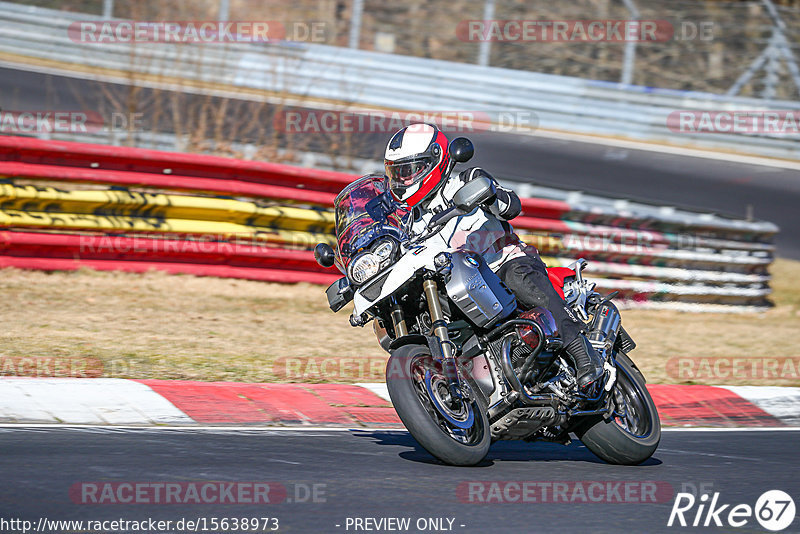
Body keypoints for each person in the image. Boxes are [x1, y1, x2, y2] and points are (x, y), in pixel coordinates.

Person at [384, 123, 604, 391]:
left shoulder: (466, 181)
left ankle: (584, 356)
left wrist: (491, 195)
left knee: (518, 277)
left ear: (435, 159)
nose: (404, 180)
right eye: (398, 173)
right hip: (461, 283)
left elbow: (511, 206)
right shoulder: (409, 220)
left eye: (410, 171)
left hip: (504, 262)